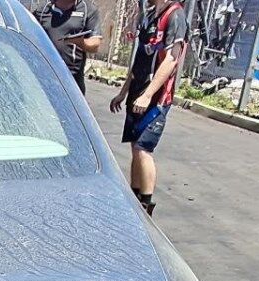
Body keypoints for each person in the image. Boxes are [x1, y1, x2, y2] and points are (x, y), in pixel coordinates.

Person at [108, 0, 188, 216]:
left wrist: (148, 95)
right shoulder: (150, 16)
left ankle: (146, 204)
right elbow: (140, 59)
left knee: (143, 148)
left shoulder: (175, 16)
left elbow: (171, 60)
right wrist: (124, 91)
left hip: (156, 99)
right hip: (137, 93)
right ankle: (134, 199)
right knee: (135, 146)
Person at [34, 0, 104, 93]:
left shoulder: (88, 9)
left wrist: (81, 42)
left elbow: (95, 44)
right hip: (44, 75)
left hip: (72, 78)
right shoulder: (43, 9)